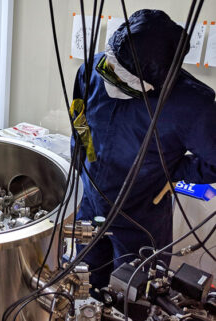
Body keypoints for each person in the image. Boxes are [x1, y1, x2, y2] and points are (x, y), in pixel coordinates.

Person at [71, 9, 216, 291]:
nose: (110, 78)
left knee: (133, 294)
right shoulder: (92, 68)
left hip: (140, 218)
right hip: (91, 203)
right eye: (108, 70)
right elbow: (79, 113)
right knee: (85, 282)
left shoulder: (193, 105)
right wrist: (85, 157)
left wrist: (168, 170)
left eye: (121, 79)